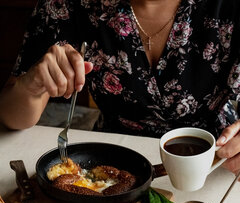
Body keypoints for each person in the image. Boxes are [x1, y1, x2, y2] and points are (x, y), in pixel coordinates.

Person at [0, 0, 240, 176]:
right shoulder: (68, 4)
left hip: (216, 161)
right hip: (109, 162)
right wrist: (31, 86)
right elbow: (12, 117)